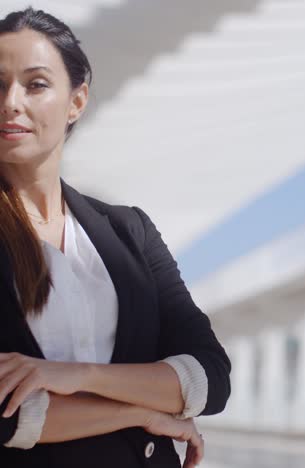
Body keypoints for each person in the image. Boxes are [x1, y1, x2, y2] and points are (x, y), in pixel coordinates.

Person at [0, 7, 231, 468]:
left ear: (77, 101)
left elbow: (209, 376)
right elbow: (6, 414)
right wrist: (142, 408)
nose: (10, 101)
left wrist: (74, 376)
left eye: (36, 84)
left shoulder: (130, 231)